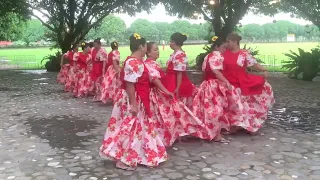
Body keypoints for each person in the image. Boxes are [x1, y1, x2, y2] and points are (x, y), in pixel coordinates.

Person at [99, 33, 167, 170]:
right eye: (145, 46)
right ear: (141, 47)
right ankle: (124, 159)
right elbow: (130, 84)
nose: (146, 48)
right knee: (130, 127)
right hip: (133, 98)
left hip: (137, 97)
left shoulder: (135, 61)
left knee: (137, 128)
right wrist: (134, 104)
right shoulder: (133, 62)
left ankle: (138, 154)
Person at [145, 42, 214, 146]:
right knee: (170, 112)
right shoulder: (151, 64)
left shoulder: (151, 63)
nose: (158, 51)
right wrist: (166, 91)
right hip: (156, 92)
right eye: (155, 50)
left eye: (157, 49)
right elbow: (155, 80)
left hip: (158, 91)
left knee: (165, 114)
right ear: (148, 52)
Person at [192, 36, 247, 142]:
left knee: (208, 110)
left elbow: (204, 72)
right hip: (214, 85)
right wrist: (226, 82)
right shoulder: (217, 56)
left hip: (206, 84)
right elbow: (216, 72)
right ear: (217, 47)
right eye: (223, 47)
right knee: (217, 110)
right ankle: (216, 134)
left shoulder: (208, 56)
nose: (225, 50)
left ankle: (210, 131)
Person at [223, 33, 275, 134]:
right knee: (233, 105)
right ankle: (235, 125)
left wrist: (264, 70)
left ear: (235, 42)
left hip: (242, 81)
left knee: (246, 104)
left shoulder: (244, 54)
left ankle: (251, 125)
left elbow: (254, 63)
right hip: (229, 82)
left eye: (228, 41)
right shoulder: (225, 53)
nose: (227, 44)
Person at [161, 32, 197, 108]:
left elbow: (179, 73)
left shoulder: (180, 55)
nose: (169, 43)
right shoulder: (175, 54)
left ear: (173, 42)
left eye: (170, 41)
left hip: (177, 83)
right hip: (172, 81)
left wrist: (177, 88)